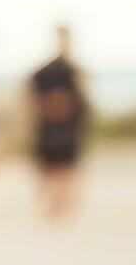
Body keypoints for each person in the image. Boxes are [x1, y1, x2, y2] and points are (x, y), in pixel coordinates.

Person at [30, 25, 92, 221]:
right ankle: (54, 207)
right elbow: (33, 102)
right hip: (49, 128)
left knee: (67, 169)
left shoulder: (73, 71)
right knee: (51, 169)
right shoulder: (45, 73)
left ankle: (63, 206)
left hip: (69, 128)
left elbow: (83, 101)